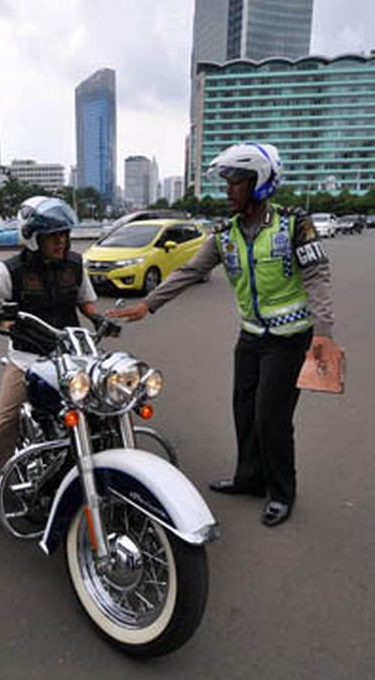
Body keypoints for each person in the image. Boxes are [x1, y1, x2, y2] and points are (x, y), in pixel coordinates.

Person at [107, 142, 336, 527]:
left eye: (236, 182)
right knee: (243, 412)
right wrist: (149, 304)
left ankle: (281, 492)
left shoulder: (295, 225)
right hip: (250, 339)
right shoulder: (225, 234)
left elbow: (317, 277)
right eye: (227, 182)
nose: (228, 190)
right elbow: (189, 271)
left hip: (291, 338)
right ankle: (249, 479)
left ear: (259, 184)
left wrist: (324, 334)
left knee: (271, 418)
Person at [0, 196, 117, 540]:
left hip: (73, 355)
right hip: (28, 357)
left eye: (63, 233)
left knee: (108, 403)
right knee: (4, 422)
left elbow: (86, 300)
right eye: (53, 236)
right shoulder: (10, 270)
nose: (61, 241)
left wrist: (99, 317)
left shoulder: (75, 264)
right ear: (33, 237)